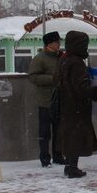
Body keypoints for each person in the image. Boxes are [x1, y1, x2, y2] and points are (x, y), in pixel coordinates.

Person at [56, 31, 97, 178]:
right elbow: (81, 87)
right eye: (85, 45)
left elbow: (56, 80)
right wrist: (94, 91)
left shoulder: (63, 59)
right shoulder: (76, 62)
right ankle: (72, 168)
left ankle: (70, 166)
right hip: (77, 106)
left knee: (69, 136)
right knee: (75, 138)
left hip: (65, 105)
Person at [28, 31, 65, 167]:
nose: (59, 44)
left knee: (59, 131)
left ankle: (58, 156)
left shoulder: (60, 57)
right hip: (45, 101)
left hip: (59, 100)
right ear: (50, 44)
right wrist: (52, 79)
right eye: (57, 42)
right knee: (44, 132)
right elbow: (32, 77)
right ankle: (45, 158)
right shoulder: (39, 59)